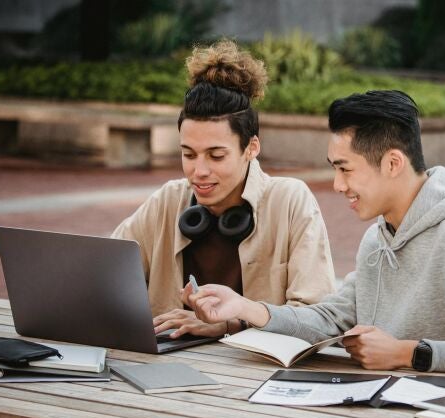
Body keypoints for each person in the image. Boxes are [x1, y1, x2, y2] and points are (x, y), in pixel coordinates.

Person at [184, 90, 445, 374]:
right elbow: (330, 319)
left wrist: (408, 352)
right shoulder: (378, 237)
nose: (338, 185)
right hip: (384, 412)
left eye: (345, 169)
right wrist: (247, 308)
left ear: (392, 163)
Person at [112, 40, 335, 338]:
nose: (199, 171)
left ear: (251, 148)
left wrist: (229, 324)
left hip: (253, 375)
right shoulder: (168, 200)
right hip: (167, 367)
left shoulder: (290, 200)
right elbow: (103, 275)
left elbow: (318, 322)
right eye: (188, 154)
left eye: (216, 156)